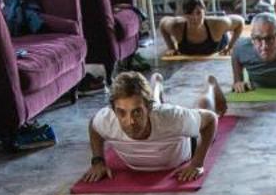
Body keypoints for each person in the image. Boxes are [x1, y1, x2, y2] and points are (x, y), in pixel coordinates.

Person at [84, 71, 226, 185]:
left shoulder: (172, 117)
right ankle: (156, 84)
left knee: (204, 105)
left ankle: (210, 85)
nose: (130, 121)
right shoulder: (107, 119)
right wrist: (98, 161)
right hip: (155, 114)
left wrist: (197, 163)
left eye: (137, 112)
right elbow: (94, 125)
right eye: (121, 113)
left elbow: (210, 119)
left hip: (186, 147)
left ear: (148, 108)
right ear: (114, 111)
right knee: (151, 110)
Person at [156, 0, 244, 57]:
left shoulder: (218, 24)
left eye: (198, 13)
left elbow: (240, 22)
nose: (194, 18)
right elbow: (162, 23)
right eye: (189, 13)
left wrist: (231, 46)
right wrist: (171, 47)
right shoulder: (177, 26)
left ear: (204, 12)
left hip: (219, 41)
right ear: (183, 14)